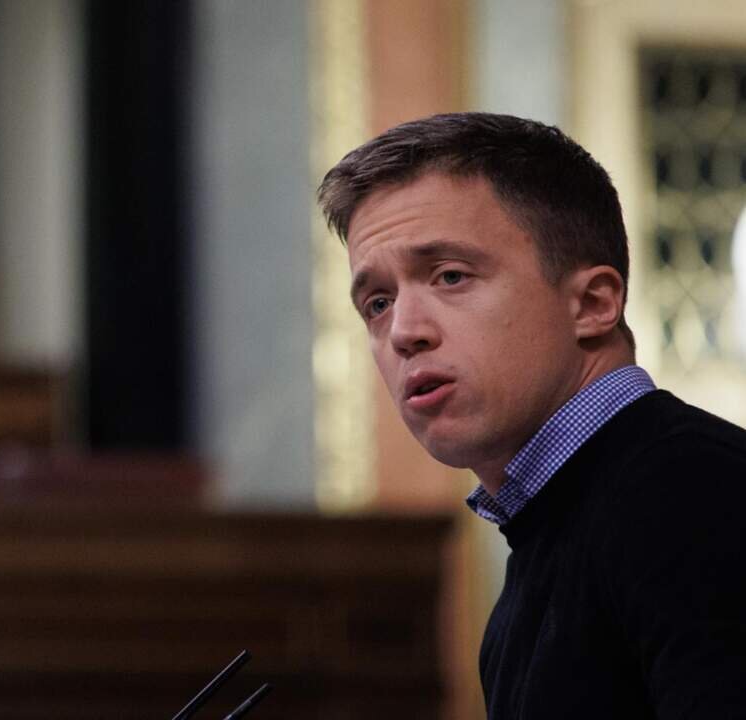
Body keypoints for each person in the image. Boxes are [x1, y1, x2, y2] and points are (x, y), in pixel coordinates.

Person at [317, 112, 746, 719]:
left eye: (450, 275)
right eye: (378, 303)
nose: (404, 332)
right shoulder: (544, 537)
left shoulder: (693, 489)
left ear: (593, 304)